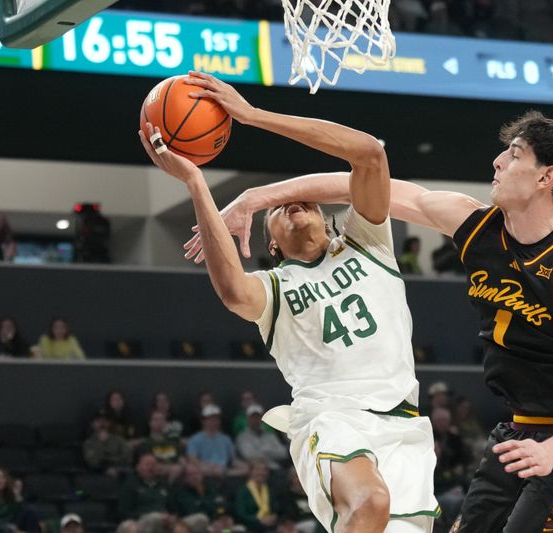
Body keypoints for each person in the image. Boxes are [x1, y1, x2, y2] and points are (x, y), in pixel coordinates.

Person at [184, 110, 553, 532]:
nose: (497, 160)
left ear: (546, 177)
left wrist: (552, 451)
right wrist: (253, 197)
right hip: (516, 432)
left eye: (514, 154)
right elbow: (361, 181)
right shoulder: (474, 225)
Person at [143, 71, 438, 533]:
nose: (294, 205)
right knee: (371, 503)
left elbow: (369, 155)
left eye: (306, 202)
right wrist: (196, 183)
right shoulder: (276, 285)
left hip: (404, 426)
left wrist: (253, 117)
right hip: (331, 416)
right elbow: (234, 292)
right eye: (281, 211)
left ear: (331, 220)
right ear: (273, 245)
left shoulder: (367, 243)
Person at [0, 468, 39, 533]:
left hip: (12, 524)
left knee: (31, 510)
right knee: (5, 529)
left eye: (1, 477)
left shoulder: (11, 494)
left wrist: (17, 496)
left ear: (6, 480)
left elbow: (19, 514)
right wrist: (7, 525)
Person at [186, 405, 239, 478]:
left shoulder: (226, 439)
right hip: (204, 473)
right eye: (210, 419)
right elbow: (193, 460)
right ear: (203, 421)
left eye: (215, 419)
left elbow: (233, 460)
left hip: (224, 472)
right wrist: (211, 468)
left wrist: (245, 466)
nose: (213, 421)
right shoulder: (194, 439)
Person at [136, 410, 186, 482]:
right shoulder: (145, 444)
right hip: (157, 477)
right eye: (156, 419)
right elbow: (148, 466)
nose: (160, 422)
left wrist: (180, 467)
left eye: (162, 419)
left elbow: (183, 461)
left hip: (178, 474)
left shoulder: (174, 441)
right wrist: (172, 469)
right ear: (150, 423)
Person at [235, 405, 288, 470]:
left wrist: (264, 451)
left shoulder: (270, 436)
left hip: (274, 468)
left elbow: (283, 453)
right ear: (248, 419)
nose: (255, 420)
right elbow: (248, 455)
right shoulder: (242, 437)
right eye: (253, 417)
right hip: (254, 470)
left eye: (258, 417)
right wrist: (270, 452)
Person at [233, 460, 280, 532]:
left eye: (264, 470)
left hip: (271, 523)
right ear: (250, 472)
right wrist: (259, 520)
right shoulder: (242, 490)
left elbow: (276, 507)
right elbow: (240, 513)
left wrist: (273, 516)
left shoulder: (271, 489)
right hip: (250, 524)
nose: (261, 473)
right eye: (257, 469)